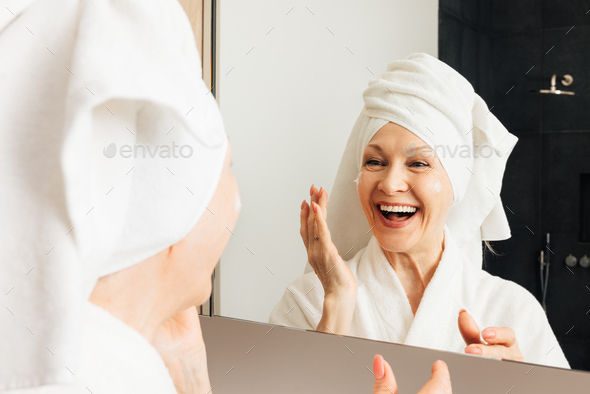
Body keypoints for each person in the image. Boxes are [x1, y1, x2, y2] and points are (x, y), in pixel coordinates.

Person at [1, 1, 452, 393]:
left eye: (418, 163)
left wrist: (191, 375)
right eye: (228, 168)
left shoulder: (92, 363)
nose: (237, 200)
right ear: (172, 213)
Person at [270, 53, 570, 369]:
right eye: (374, 161)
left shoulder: (511, 310)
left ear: (456, 183)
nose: (390, 183)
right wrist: (337, 306)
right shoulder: (308, 300)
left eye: (418, 163)